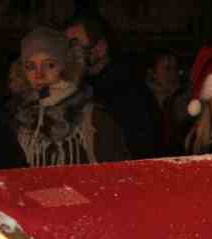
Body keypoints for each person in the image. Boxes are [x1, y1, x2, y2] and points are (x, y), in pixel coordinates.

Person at [12, 27, 129, 167]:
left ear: (65, 65)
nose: (39, 75)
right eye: (30, 67)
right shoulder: (20, 118)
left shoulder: (92, 117)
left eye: (49, 65)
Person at [64, 11, 162, 159]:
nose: (69, 54)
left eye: (75, 45)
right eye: (66, 46)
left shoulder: (127, 92)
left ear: (100, 48)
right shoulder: (80, 89)